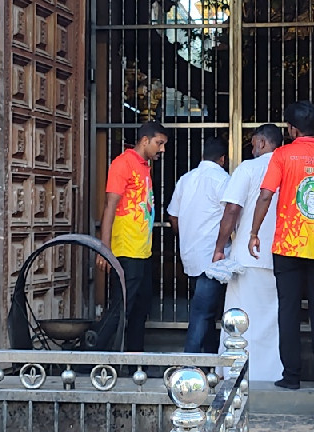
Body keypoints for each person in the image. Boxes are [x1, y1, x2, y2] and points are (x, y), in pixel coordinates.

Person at [249, 101, 314, 390]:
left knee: (288, 311)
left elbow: (265, 195)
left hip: (288, 247)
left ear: (292, 129)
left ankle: (291, 376)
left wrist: (254, 232)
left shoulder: (282, 155)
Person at [212, 123, 284, 382]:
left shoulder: (248, 168)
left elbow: (232, 210)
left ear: (262, 143)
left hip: (248, 255)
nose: (252, 149)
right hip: (281, 254)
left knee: (239, 317)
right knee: (272, 320)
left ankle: (236, 372)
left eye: (253, 144)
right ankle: (270, 374)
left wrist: (219, 248)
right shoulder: (287, 168)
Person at [97, 121, 169, 351]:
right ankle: (91, 359)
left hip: (142, 251)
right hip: (126, 250)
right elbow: (110, 205)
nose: (162, 149)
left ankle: (136, 362)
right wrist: (104, 248)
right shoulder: (123, 163)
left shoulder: (144, 166)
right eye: (159, 143)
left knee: (140, 310)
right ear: (145, 141)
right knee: (120, 309)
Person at [168, 136, 230, 353]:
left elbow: (173, 215)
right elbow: (231, 214)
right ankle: (189, 362)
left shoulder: (185, 179)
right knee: (203, 313)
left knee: (207, 311)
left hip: (190, 255)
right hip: (213, 256)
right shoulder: (223, 180)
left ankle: (210, 359)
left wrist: (187, 234)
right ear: (222, 159)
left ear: (203, 156)